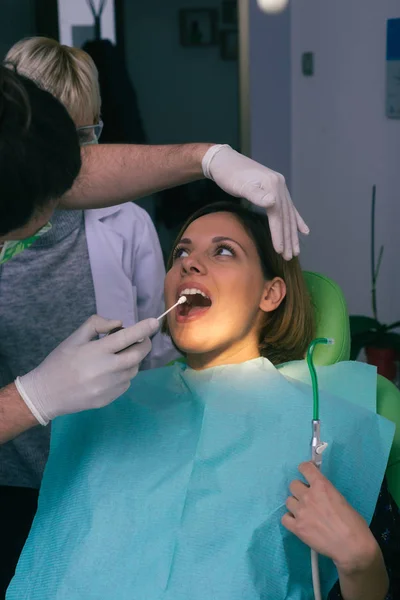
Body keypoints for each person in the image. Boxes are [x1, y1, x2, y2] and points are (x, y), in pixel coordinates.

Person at [7, 203, 399, 600]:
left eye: (223, 251)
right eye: (180, 252)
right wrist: (33, 396)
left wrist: (362, 560)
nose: (189, 263)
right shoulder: (107, 410)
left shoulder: (330, 425)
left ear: (270, 293)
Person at [0, 38, 180, 594]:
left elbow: (163, 362)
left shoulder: (125, 226)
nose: (72, 167)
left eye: (86, 138)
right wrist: (36, 397)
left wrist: (210, 157)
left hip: (103, 479)